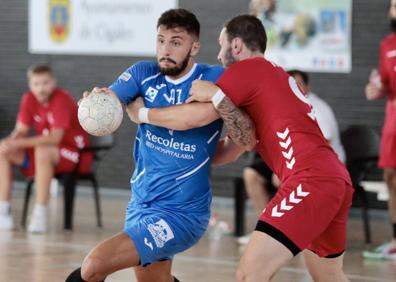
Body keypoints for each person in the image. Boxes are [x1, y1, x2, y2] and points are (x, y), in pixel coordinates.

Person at [65, 9, 255, 282]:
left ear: (194, 47)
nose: (166, 49)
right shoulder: (143, 73)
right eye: (160, 40)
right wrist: (94, 103)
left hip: (183, 213)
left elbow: (192, 119)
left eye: (176, 42)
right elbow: (111, 100)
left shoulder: (213, 78)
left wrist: (141, 114)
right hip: (141, 204)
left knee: (94, 266)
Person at [185, 15, 353, 281]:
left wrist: (146, 115)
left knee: (248, 275)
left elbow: (197, 116)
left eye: (221, 45)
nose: (218, 55)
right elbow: (230, 150)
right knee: (330, 277)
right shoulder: (270, 77)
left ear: (236, 45)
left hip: (309, 180)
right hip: (335, 179)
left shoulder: (246, 70)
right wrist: (183, 155)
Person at [239, 69, 346, 245]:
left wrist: (286, 167)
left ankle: (295, 231)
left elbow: (321, 142)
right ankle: (266, 230)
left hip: (321, 164)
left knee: (281, 180)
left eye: (299, 84)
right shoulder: (282, 104)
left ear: (307, 86)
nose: (294, 88)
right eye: (290, 84)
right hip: (290, 158)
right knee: (252, 174)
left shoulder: (317, 107)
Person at [0, 64, 92, 233]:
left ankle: (40, 214)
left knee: (43, 149)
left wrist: (18, 143)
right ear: (30, 85)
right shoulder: (28, 98)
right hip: (47, 157)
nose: (41, 88)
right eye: (36, 84)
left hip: (76, 154)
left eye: (45, 83)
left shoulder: (61, 98)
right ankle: (3, 211)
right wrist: (10, 142)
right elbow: (20, 130)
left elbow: (54, 138)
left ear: (53, 82)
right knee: (3, 151)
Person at [364, 0, 396, 261]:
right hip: (393, 121)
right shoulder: (387, 45)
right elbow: (384, 83)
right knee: (391, 178)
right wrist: (377, 90)